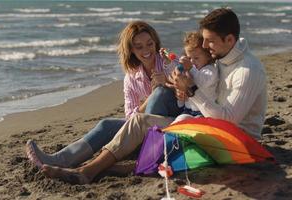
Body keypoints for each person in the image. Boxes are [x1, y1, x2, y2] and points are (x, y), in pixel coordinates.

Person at [41, 7, 267, 184]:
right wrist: (184, 87)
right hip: (204, 125)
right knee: (137, 121)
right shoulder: (221, 58)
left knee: (153, 110)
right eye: (204, 40)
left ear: (229, 40)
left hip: (231, 142)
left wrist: (190, 90)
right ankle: (91, 167)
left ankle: (89, 170)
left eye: (209, 41)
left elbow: (226, 121)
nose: (205, 46)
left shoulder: (247, 70)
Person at [25, 21, 178, 168]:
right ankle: (62, 159)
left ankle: (147, 151)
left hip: (172, 123)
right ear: (131, 50)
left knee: (160, 92)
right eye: (139, 47)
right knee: (106, 124)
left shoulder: (169, 62)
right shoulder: (131, 78)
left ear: (156, 43)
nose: (146, 50)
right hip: (144, 129)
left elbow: (190, 95)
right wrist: (149, 99)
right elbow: (131, 118)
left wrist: (166, 82)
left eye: (150, 44)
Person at [171, 31, 218, 124]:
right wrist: (181, 97)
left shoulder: (210, 70)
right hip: (188, 110)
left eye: (196, 58)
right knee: (179, 120)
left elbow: (201, 82)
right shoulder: (192, 71)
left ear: (208, 56)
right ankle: (165, 135)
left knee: (182, 121)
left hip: (204, 113)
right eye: (189, 58)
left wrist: (190, 68)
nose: (192, 61)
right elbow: (188, 94)